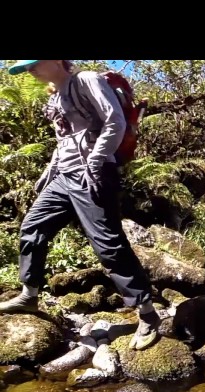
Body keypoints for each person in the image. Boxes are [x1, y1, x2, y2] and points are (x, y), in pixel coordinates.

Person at [0, 60, 161, 351]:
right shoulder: (56, 95)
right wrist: (49, 171)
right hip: (65, 177)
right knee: (33, 226)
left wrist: (96, 160)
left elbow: (115, 121)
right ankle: (30, 294)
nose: (30, 70)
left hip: (95, 174)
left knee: (108, 244)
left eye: (33, 64)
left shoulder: (86, 80)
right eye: (25, 67)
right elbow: (64, 140)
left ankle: (148, 314)